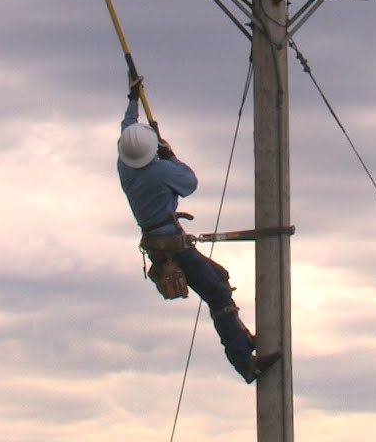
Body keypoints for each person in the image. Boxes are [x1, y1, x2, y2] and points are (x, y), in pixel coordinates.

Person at [116, 91, 279, 383]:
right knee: (216, 293)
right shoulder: (160, 172)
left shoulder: (125, 168)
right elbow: (189, 182)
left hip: (160, 247)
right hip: (174, 249)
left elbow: (127, 127)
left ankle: (242, 338)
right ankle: (245, 361)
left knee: (219, 277)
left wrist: (133, 97)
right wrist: (169, 155)